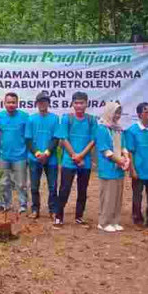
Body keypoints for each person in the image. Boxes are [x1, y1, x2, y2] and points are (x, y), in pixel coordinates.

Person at [54, 92, 97, 227]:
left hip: (85, 162)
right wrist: (75, 156)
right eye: (76, 103)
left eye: (82, 103)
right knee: (64, 189)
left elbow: (93, 140)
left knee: (82, 190)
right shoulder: (67, 118)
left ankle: (79, 216)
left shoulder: (91, 120)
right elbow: (64, 139)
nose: (79, 105)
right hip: (69, 161)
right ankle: (58, 216)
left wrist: (81, 156)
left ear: (86, 104)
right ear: (72, 104)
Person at [95, 101, 130, 232]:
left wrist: (126, 159)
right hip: (108, 167)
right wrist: (119, 160)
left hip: (119, 168)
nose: (117, 115)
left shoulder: (119, 129)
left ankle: (114, 221)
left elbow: (124, 146)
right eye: (115, 112)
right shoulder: (102, 128)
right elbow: (105, 150)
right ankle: (103, 222)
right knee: (108, 196)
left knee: (117, 195)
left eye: (119, 113)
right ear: (109, 112)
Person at [25, 91, 60, 219]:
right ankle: (35, 209)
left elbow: (56, 138)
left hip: (51, 159)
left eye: (45, 101)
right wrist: (38, 153)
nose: (42, 104)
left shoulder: (55, 118)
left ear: (48, 103)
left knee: (53, 186)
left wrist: (47, 152)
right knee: (34, 186)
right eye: (40, 102)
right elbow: (28, 139)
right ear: (36, 104)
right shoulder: (31, 118)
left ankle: (53, 210)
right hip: (35, 158)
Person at [0, 92, 30, 213]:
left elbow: (28, 136)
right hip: (4, 156)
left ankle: (23, 205)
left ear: (17, 103)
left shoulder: (25, 117)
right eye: (8, 102)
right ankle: (5, 204)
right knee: (4, 182)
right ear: (4, 103)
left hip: (20, 156)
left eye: (13, 102)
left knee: (21, 183)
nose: (11, 104)